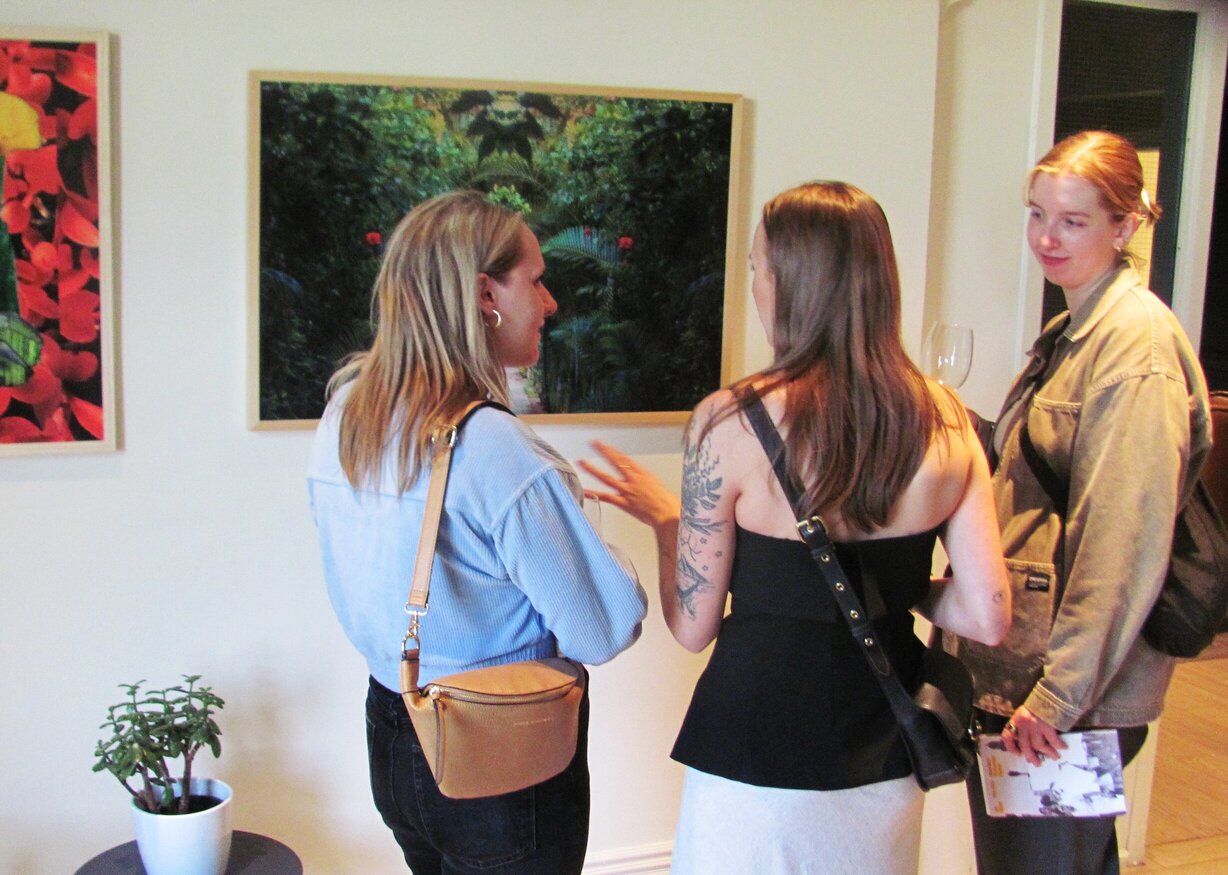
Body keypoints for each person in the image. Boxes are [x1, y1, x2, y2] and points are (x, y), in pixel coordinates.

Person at [582, 181, 1011, 874]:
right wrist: (904, 588)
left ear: (788, 282)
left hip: (752, 743)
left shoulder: (729, 422)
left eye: (757, 266)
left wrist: (666, 520)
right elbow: (987, 614)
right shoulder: (949, 420)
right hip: (887, 742)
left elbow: (692, 626)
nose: (754, 282)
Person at [307, 190, 648, 874]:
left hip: (392, 726)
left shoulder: (348, 414)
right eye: (536, 280)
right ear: (486, 294)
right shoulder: (495, 450)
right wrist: (609, 542)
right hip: (500, 754)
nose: (550, 303)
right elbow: (604, 629)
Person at [949, 130, 1213, 875]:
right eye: (1037, 215)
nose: (1046, 238)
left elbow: (1122, 540)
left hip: (1066, 696)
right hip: (1028, 672)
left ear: (1125, 227)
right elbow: (1038, 475)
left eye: (1073, 221)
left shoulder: (1136, 348)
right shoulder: (1073, 329)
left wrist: (1056, 700)